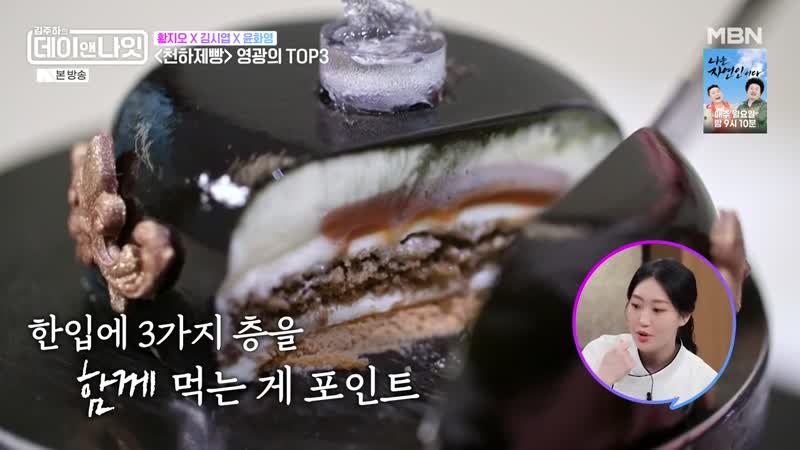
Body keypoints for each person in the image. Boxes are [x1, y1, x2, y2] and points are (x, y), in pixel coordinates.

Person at [581, 258, 718, 402]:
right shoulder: (599, 351)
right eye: (636, 305)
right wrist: (604, 378)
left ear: (684, 317)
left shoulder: (702, 380)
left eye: (657, 309)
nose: (643, 320)